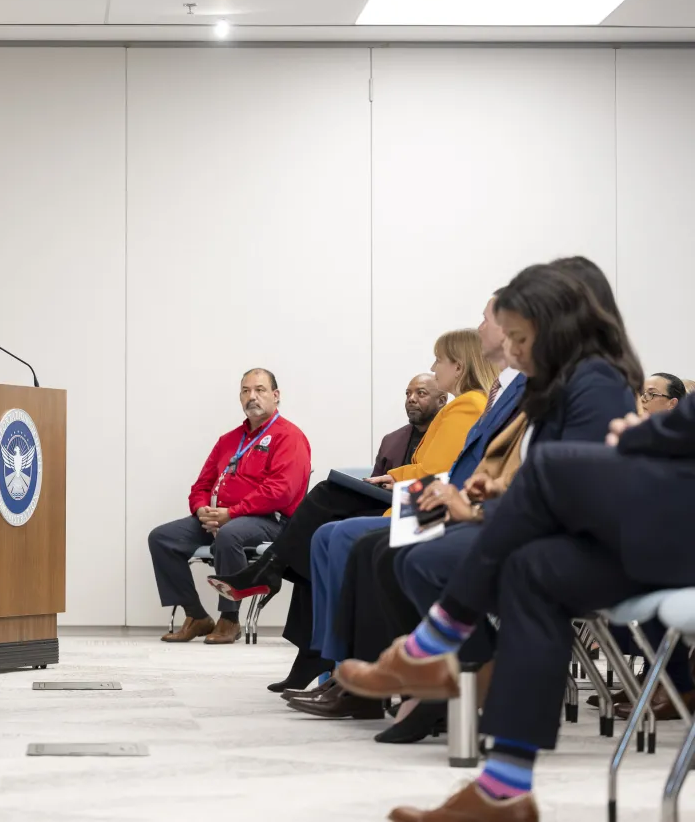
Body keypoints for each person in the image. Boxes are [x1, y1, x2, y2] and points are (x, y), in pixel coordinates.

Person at [332, 388, 695, 822]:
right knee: (529, 565)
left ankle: (432, 647)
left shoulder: (590, 379)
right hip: (657, 525)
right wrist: (650, 432)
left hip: (664, 530)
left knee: (545, 484)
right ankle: (504, 788)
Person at [304, 256, 623, 737]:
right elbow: (538, 470)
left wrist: (476, 506)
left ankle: (453, 669)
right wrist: (483, 494)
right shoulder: (553, 382)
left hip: (566, 541)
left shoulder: (588, 383)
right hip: (527, 521)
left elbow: (573, 485)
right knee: (382, 549)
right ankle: (446, 675)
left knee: (409, 556)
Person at [209, 329, 495, 690]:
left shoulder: (466, 404)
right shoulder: (462, 405)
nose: (434, 366)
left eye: (438, 359)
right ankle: (304, 636)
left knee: (327, 497)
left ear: (458, 364)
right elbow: (431, 467)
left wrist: (395, 478)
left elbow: (435, 471)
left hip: (425, 503)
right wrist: (392, 476)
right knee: (318, 532)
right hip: (416, 493)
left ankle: (272, 575)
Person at [286, 294, 521, 721]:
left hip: (450, 503)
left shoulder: (480, 401)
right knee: (334, 531)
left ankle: (347, 671)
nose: (433, 370)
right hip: (444, 498)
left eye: (438, 362)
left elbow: (446, 470)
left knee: (349, 537)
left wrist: (421, 489)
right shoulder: (489, 396)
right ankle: (339, 668)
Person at [148, 369, 311, 645]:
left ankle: (229, 619)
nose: (252, 396)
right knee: (162, 538)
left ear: (276, 395)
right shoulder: (229, 440)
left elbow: (281, 492)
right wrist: (202, 510)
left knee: (230, 534)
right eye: (246, 391)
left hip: (270, 520)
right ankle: (196, 615)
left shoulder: (290, 437)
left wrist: (231, 514)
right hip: (219, 518)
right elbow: (201, 485)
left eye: (260, 390)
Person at [374, 374, 446, 477]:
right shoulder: (390, 441)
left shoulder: (453, 436)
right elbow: (372, 487)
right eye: (408, 394)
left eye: (421, 393)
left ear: (441, 401)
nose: (411, 399)